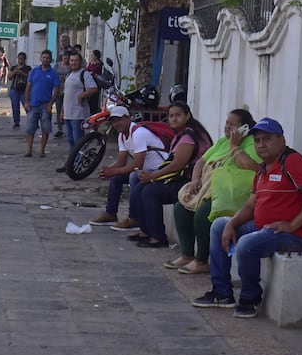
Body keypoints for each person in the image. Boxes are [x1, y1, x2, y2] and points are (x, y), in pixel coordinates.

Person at [192, 117, 302, 318]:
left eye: (267, 139)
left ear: (281, 140)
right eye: (257, 141)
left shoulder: (292, 161)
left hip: (293, 235)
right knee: (220, 225)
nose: (261, 144)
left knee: (247, 243)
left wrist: (292, 225)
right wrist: (233, 224)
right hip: (262, 227)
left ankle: (250, 298)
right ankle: (222, 293)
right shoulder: (263, 167)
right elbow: (250, 205)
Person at [167, 109, 260, 274]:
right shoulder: (222, 142)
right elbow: (201, 162)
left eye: (233, 124)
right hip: (209, 188)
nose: (227, 127)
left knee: (204, 215)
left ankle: (202, 260)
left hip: (232, 194)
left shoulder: (250, 143)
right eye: (226, 123)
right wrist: (195, 180)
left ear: (244, 128)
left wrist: (234, 145)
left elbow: (250, 166)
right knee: (180, 208)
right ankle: (187, 255)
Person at [130, 101, 213, 248]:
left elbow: (177, 165)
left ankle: (158, 237)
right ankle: (145, 232)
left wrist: (154, 175)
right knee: (139, 187)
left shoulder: (188, 137)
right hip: (180, 178)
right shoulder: (181, 135)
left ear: (187, 116)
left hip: (191, 181)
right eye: (171, 116)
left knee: (150, 191)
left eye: (178, 115)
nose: (174, 119)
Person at [89, 106, 166, 229]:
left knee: (134, 176)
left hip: (159, 169)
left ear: (128, 118)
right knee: (116, 177)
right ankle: (111, 213)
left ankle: (134, 218)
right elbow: (121, 162)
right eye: (113, 121)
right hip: (145, 169)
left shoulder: (139, 133)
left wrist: (112, 171)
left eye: (119, 120)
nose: (116, 124)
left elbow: (137, 165)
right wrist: (108, 170)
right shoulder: (122, 136)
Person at [56, 51, 98, 173]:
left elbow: (93, 88)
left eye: (76, 60)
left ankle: (77, 164)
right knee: (71, 141)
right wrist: (62, 112)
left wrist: (81, 96)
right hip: (68, 114)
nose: (73, 62)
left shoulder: (84, 74)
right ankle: (71, 163)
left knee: (78, 142)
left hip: (78, 114)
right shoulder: (69, 74)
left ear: (80, 62)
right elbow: (66, 95)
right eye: (72, 60)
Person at [23, 49, 60, 157]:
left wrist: (51, 103)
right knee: (30, 129)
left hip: (45, 106)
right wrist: (26, 101)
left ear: (50, 60)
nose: (45, 60)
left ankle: (42, 151)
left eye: (48, 58)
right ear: (40, 58)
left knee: (45, 129)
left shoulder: (53, 74)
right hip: (33, 105)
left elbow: (57, 89)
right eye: (44, 57)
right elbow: (28, 86)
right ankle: (28, 150)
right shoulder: (34, 71)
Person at [8, 52, 31, 129]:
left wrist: (21, 73)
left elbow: (30, 77)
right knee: (15, 106)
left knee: (27, 105)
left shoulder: (27, 68)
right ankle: (16, 122)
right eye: (19, 59)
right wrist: (15, 72)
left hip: (24, 90)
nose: (20, 60)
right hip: (14, 89)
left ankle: (31, 120)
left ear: (25, 60)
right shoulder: (13, 67)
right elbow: (10, 77)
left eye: (22, 59)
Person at [53, 50, 71, 138]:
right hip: (58, 90)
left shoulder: (71, 67)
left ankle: (68, 129)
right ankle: (59, 129)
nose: (66, 60)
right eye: (65, 58)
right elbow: (53, 75)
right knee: (59, 109)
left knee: (67, 110)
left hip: (68, 90)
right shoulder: (57, 65)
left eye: (68, 58)